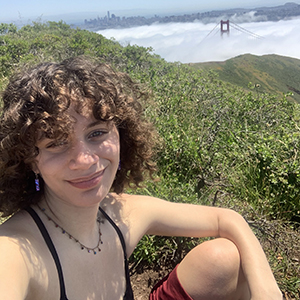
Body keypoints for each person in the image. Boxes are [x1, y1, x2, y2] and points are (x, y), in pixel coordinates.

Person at [0, 56, 282, 300]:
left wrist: (267, 291)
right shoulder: (15, 251)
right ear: (31, 159)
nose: (85, 160)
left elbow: (226, 219)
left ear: (120, 135)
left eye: (96, 133)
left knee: (223, 258)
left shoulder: (119, 213)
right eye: (56, 143)